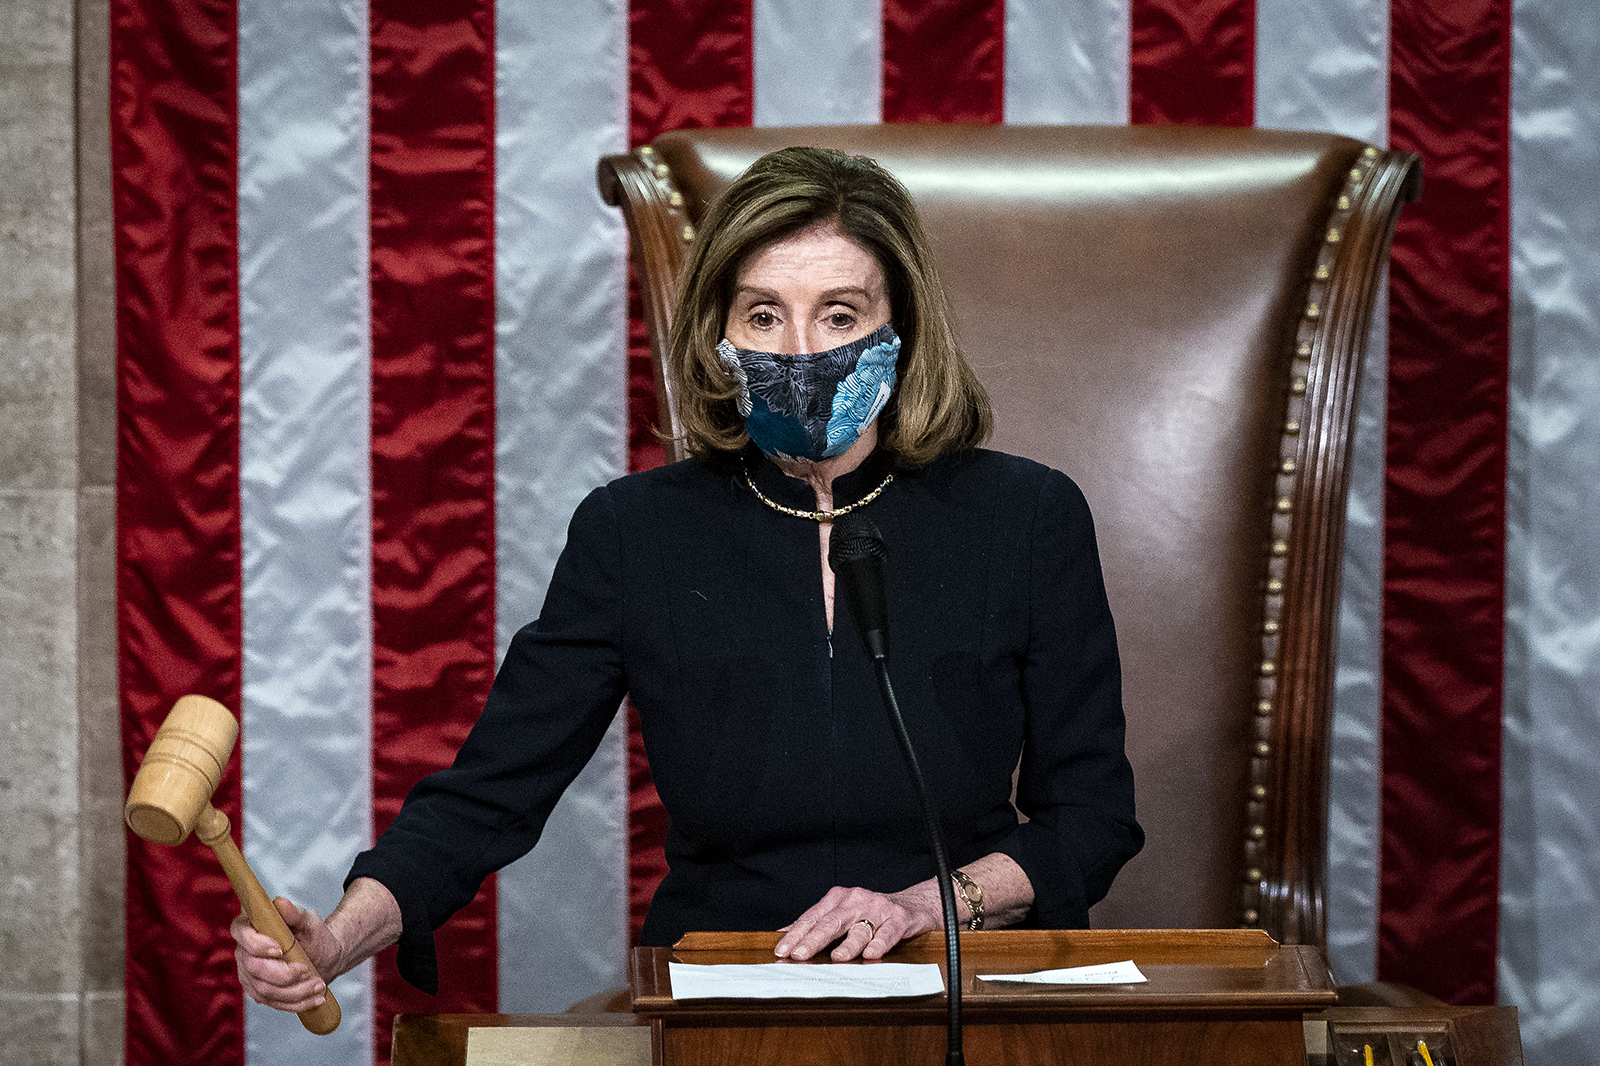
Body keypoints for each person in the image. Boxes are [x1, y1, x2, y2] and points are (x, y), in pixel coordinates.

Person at [233, 145, 1143, 1013]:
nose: (798, 350)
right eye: (762, 314)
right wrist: (345, 934)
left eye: (839, 314)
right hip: (727, 981)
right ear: (717, 334)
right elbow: (492, 791)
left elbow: (1091, 819)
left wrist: (924, 907)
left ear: (899, 330)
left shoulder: (1026, 517)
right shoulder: (636, 532)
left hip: (962, 977)